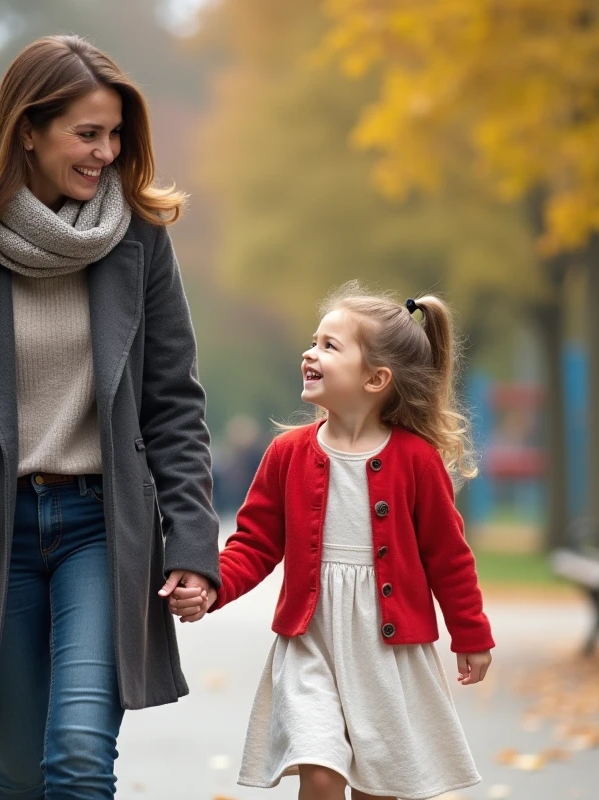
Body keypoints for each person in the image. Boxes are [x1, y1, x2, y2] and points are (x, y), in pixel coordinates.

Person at [0, 36, 219, 799]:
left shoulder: (139, 244)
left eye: (115, 135)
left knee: (80, 757)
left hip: (101, 527)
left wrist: (191, 540)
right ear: (28, 128)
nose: (106, 152)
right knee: (19, 775)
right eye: (88, 134)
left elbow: (173, 404)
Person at [170, 283, 494, 800]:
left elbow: (449, 557)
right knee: (317, 766)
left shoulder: (417, 460)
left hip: (387, 653)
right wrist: (212, 586)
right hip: (311, 642)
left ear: (376, 378)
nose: (309, 352)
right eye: (313, 341)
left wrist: (471, 634)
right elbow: (253, 542)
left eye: (329, 346)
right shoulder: (287, 453)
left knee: (377, 786)